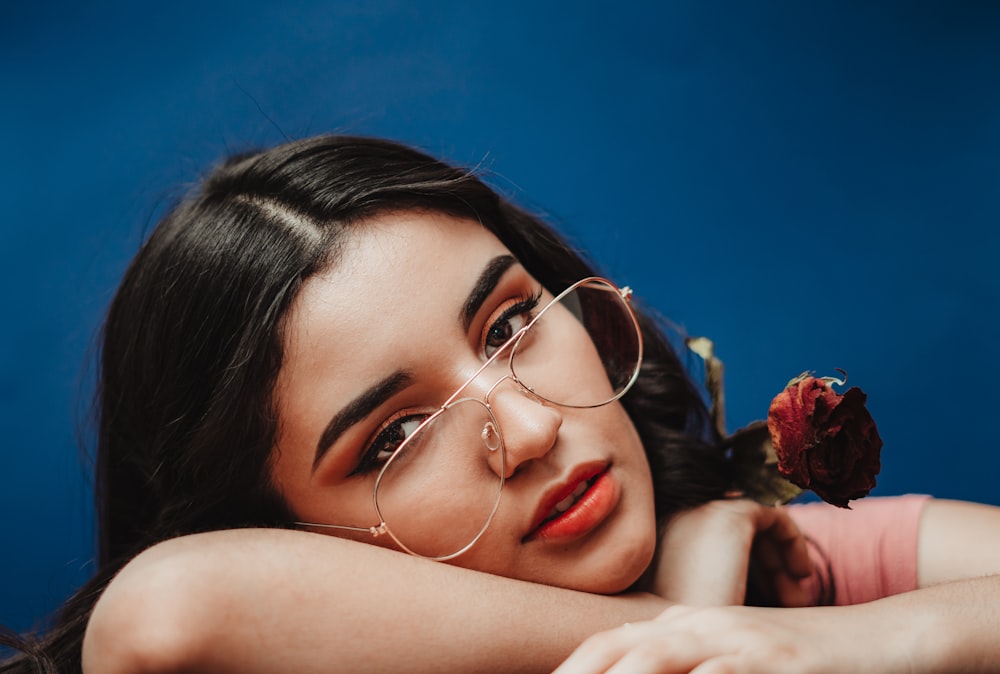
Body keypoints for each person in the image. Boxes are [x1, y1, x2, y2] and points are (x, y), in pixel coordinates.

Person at [2, 135, 998, 674]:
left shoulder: (787, 569)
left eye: (509, 325)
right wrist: (676, 616)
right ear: (277, 533)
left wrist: (827, 642)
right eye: (392, 436)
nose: (528, 430)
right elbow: (165, 607)